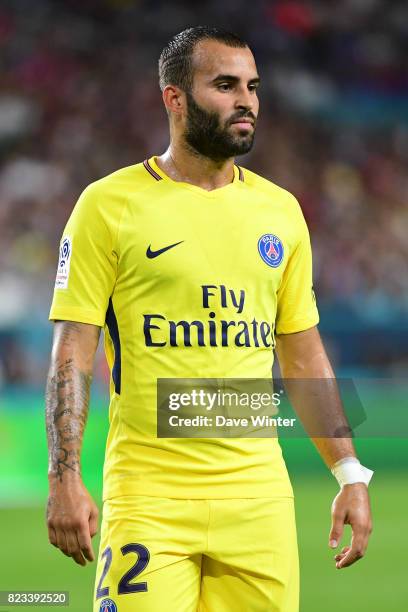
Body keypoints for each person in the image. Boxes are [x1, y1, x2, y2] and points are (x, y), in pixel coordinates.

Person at [45, 26, 373, 612]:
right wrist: (63, 477)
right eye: (225, 85)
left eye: (252, 86)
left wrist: (349, 471)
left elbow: (302, 353)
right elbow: (74, 348)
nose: (246, 99)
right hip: (150, 496)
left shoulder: (280, 210)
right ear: (175, 98)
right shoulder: (108, 205)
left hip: (260, 499)